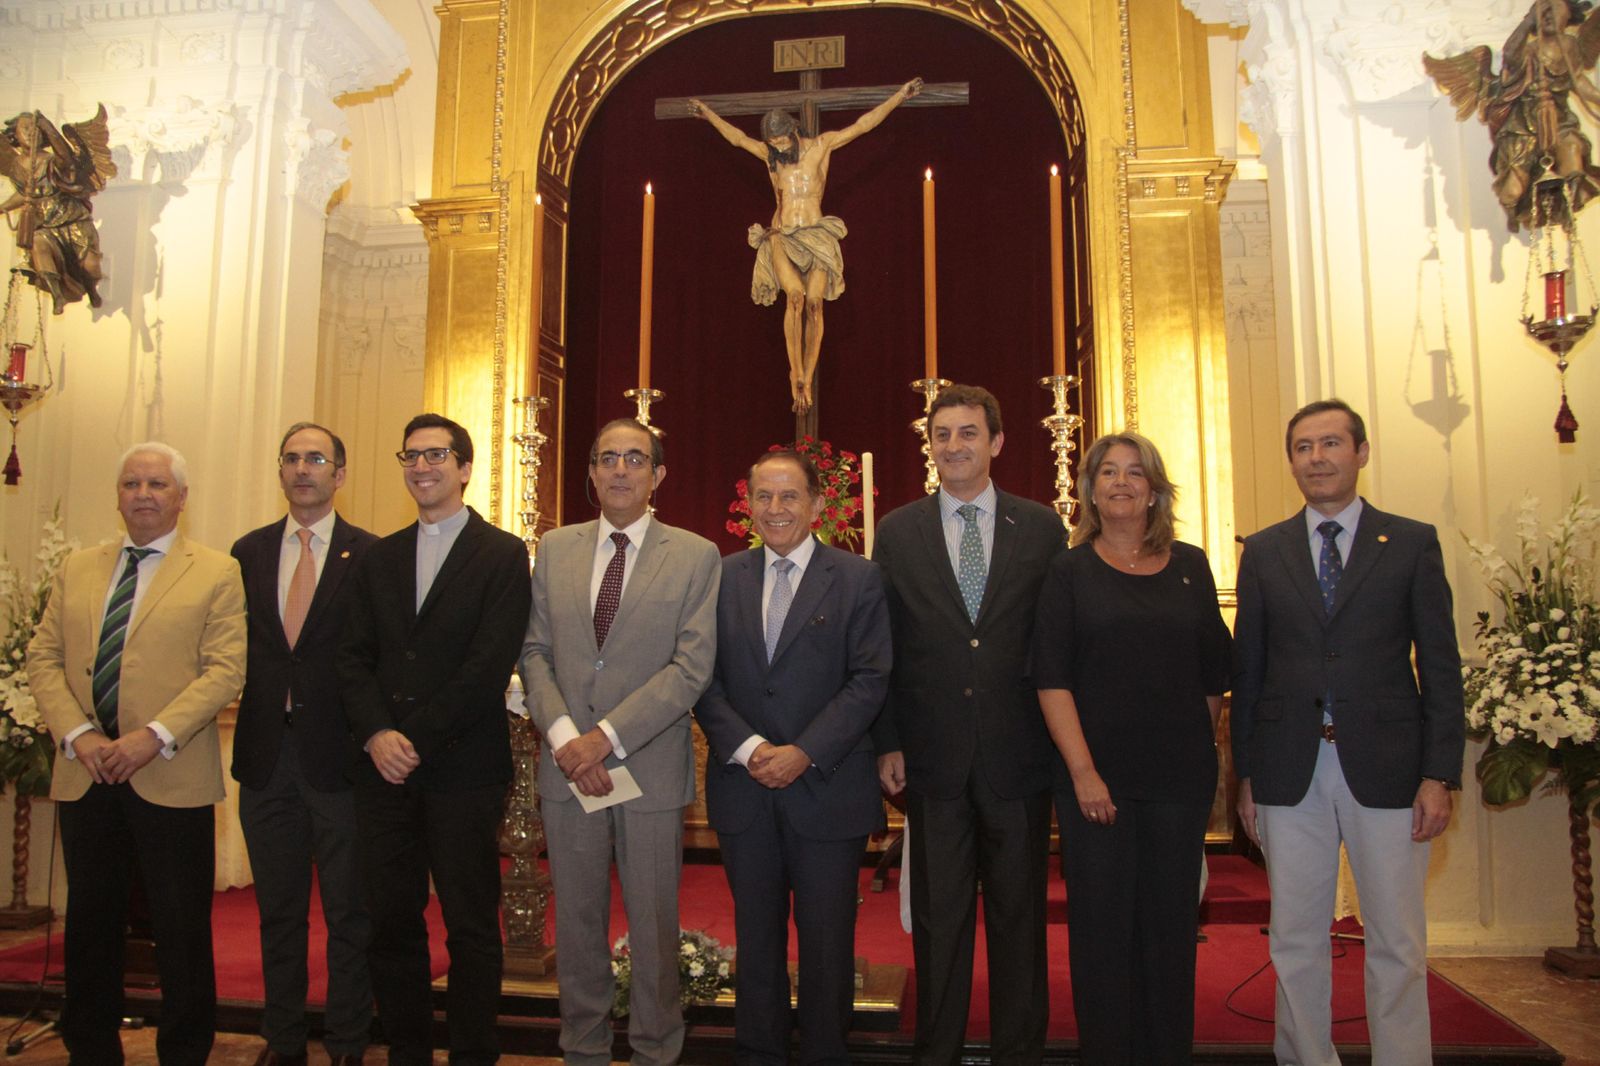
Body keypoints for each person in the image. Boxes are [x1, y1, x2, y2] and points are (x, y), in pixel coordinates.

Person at [1233, 399, 1465, 1066]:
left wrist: (1440, 773)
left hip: (1390, 767)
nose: (1317, 458)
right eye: (1303, 447)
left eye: (1331, 443)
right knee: (1294, 936)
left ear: (1361, 452)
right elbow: (1249, 670)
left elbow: (1441, 665)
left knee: (1396, 939)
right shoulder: (1266, 551)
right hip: (1287, 769)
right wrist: (1244, 776)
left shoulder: (1411, 542)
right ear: (1292, 462)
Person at [28, 442, 246, 1065]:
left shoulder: (215, 571)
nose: (143, 494)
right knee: (89, 926)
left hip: (169, 773)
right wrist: (80, 735)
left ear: (182, 498)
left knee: (181, 931)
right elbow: (43, 656)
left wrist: (151, 736)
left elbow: (225, 670)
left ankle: (184, 1052)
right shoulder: (77, 568)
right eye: (131, 484)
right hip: (87, 772)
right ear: (118, 495)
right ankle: (90, 1050)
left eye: (156, 484)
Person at [870, 384, 1067, 1065]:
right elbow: (883, 646)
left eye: (968, 433)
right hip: (934, 760)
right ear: (930, 446)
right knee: (940, 924)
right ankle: (937, 1055)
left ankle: (1020, 1055)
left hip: (1020, 756)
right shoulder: (899, 531)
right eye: (942, 434)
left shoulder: (1041, 528)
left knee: (1020, 923)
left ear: (997, 442)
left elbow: (1054, 642)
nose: (954, 446)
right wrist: (888, 739)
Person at [520, 418, 720, 1066]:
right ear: (591, 472)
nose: (620, 470)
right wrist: (565, 740)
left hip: (647, 769)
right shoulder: (556, 548)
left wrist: (603, 739)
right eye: (608, 458)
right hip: (568, 770)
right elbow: (535, 651)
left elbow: (690, 667)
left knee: (654, 926)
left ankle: (656, 1051)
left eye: (636, 459)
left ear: (658, 475)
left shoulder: (695, 555)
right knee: (577, 925)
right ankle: (582, 1050)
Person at [1030, 432, 1230, 1065]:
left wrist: (1193, 748)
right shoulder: (1068, 571)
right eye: (1108, 472)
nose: (1121, 482)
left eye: (1135, 472)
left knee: (1170, 934)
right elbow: (1052, 680)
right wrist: (1084, 773)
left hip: (1178, 783)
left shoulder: (1191, 565)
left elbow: (1213, 675)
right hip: (1097, 783)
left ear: (1154, 490)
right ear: (1090, 490)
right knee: (1103, 936)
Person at [338, 413, 531, 1066]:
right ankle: (408, 1051)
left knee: (470, 926)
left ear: (465, 468)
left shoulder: (502, 554)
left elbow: (487, 665)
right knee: (391, 922)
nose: (421, 467)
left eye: (436, 455)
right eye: (411, 456)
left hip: (463, 771)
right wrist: (376, 734)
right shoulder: (379, 557)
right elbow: (352, 657)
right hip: (383, 773)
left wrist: (409, 738)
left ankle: (473, 1053)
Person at [694, 449, 891, 1065]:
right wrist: (752, 748)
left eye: (789, 496)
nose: (775, 508)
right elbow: (700, 677)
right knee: (756, 942)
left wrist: (804, 752)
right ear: (747, 503)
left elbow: (870, 679)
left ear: (817, 504)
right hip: (744, 787)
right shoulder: (720, 576)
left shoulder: (857, 577)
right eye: (763, 496)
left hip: (827, 790)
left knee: (827, 945)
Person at [231, 422, 378, 1066]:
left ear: (339, 474)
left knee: (349, 913)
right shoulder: (248, 552)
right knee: (278, 913)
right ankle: (283, 1039)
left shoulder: (370, 554)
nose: (301, 469)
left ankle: (347, 1041)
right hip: (266, 756)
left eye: (315, 459)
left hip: (341, 759)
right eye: (291, 458)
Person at [689, 78, 923, 412]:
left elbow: (863, 126)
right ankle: (794, 373)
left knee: (814, 304)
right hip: (783, 235)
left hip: (816, 234)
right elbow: (738, 139)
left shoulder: (821, 146)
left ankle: (807, 376)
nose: (778, 147)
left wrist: (899, 96)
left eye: (782, 140)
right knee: (795, 299)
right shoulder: (771, 156)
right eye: (773, 142)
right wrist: (709, 115)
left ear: (793, 131)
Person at [0, 107, 115, 313]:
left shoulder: (51, 160)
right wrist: (3, 207)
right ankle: (57, 295)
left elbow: (67, 159)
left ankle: (91, 289)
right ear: (14, 135)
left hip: (72, 218)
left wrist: (49, 127)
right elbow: (25, 194)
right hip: (44, 223)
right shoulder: (17, 167)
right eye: (25, 128)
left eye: (35, 128)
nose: (30, 132)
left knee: (90, 265)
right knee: (39, 248)